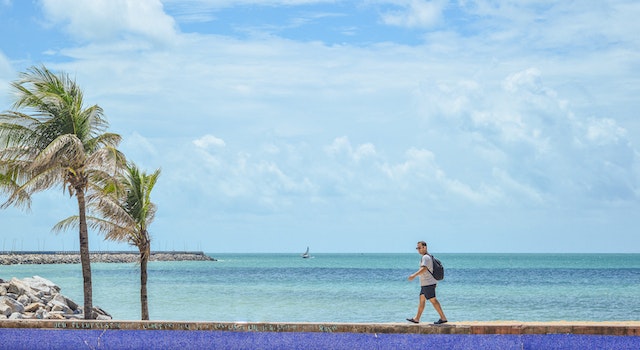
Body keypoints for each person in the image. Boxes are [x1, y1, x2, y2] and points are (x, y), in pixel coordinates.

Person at [407, 241, 448, 324]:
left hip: (428, 283)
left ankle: (443, 318)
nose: (418, 249)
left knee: (433, 300)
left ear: (424, 247)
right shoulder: (428, 256)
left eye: (419, 247)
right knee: (422, 299)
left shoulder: (425, 257)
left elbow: (424, 269)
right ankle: (417, 318)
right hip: (426, 283)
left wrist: (414, 275)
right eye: (417, 248)